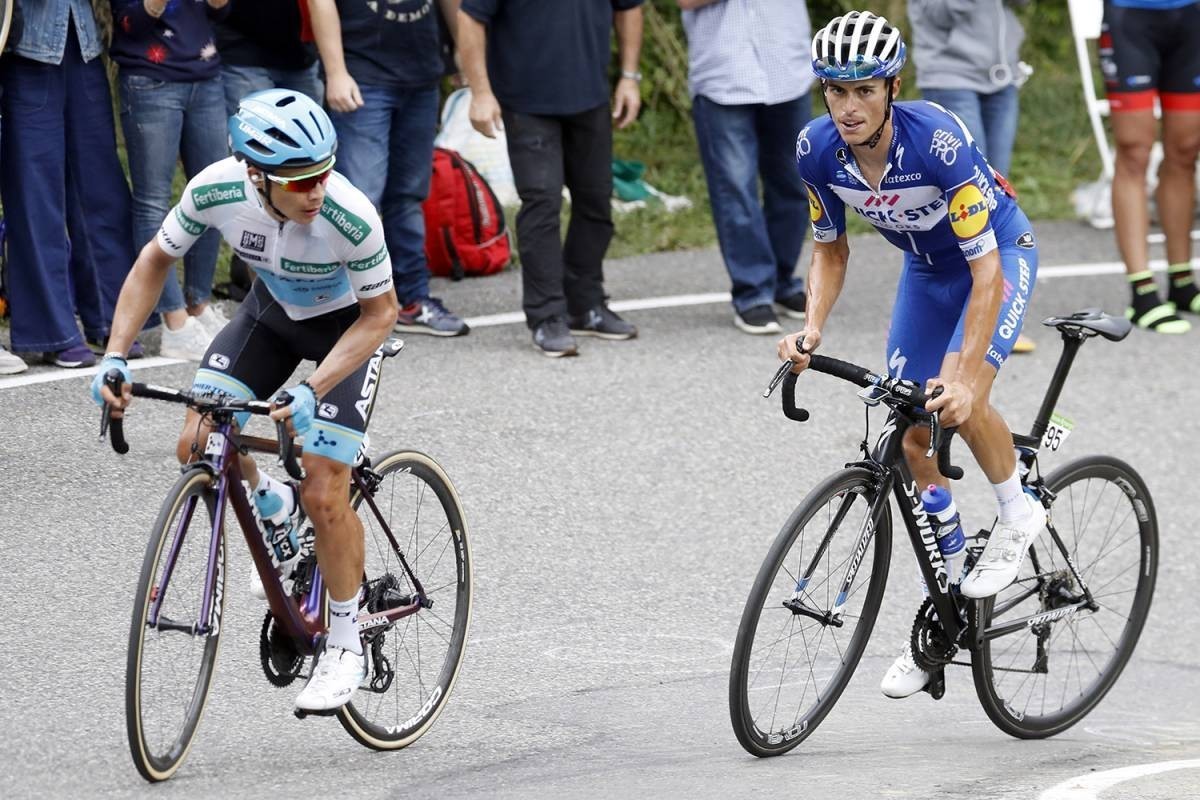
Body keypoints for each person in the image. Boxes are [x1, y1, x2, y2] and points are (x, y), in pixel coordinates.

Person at [92, 90, 399, 713]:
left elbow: (382, 314)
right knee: (198, 442)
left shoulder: (351, 215)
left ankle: (344, 643)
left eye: (323, 173)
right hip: (272, 315)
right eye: (300, 181)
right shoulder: (214, 189)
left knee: (324, 486)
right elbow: (155, 260)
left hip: (346, 332)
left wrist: (312, 390)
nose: (317, 190)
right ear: (256, 177)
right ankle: (271, 503)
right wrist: (116, 353)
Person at [778, 11, 1047, 699]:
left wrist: (963, 372)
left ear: (892, 87)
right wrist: (811, 330)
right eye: (836, 92)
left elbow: (985, 273)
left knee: (960, 392)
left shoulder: (939, 144)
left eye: (864, 90)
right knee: (914, 434)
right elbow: (831, 250)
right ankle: (953, 599)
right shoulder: (816, 151)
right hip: (928, 273)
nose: (848, 107)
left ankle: (1018, 510)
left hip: (996, 259)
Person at [457, 0, 643, 356]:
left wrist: (630, 77)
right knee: (542, 203)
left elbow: (630, 7)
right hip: (526, 102)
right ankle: (547, 316)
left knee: (596, 200)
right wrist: (480, 93)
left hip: (591, 98)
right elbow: (470, 18)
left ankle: (585, 305)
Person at [307, 0, 469, 337]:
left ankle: (413, 298)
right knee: (358, 200)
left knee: (408, 195)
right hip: (363, 76)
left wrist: (463, 55)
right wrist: (336, 72)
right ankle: (342, 308)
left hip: (422, 75)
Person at [1, 0, 138, 370]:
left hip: (83, 43)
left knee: (100, 188)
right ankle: (53, 332)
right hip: (25, 50)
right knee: (36, 196)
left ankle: (112, 317)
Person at [908, 0, 1036, 352]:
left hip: (1002, 73)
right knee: (966, 197)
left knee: (994, 197)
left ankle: (991, 316)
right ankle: (962, 322)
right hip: (950, 75)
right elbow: (936, 13)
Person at [679, 0, 813, 335]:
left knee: (796, 183)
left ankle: (782, 281)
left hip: (786, 66)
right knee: (736, 191)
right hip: (724, 73)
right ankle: (752, 292)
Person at [109, 0, 234, 361]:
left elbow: (222, 15)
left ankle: (198, 304)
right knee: (153, 201)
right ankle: (174, 321)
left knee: (214, 193)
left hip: (206, 75)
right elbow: (128, 21)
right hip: (151, 78)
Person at [1100, 0, 1200, 334]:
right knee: (1133, 151)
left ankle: (1182, 281)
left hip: (1190, 15)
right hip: (1131, 16)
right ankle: (1142, 292)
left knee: (1186, 150)